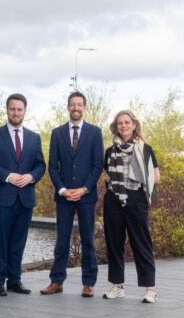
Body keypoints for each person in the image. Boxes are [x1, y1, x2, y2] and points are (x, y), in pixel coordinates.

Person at [41, 91, 104, 297]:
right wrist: (62, 190)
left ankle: (88, 283)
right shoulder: (57, 133)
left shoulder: (95, 133)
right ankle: (56, 281)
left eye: (79, 104)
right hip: (64, 196)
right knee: (62, 240)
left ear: (84, 107)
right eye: (72, 105)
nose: (76, 108)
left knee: (88, 240)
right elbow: (52, 166)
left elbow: (97, 166)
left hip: (86, 196)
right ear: (68, 107)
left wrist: (84, 189)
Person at [0, 93, 46, 296]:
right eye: (12, 109)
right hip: (1, 197)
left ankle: (14, 280)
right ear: (7, 110)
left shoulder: (34, 138)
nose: (16, 112)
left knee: (19, 240)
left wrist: (31, 177)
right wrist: (8, 176)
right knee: (0, 240)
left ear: (25, 111)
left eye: (19, 109)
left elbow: (40, 165)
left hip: (25, 197)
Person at [102, 110, 160, 303]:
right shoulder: (110, 151)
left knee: (141, 243)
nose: (124, 126)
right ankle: (117, 285)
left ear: (134, 125)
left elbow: (156, 177)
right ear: (116, 127)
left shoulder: (145, 149)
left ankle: (150, 288)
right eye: (120, 123)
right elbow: (107, 175)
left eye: (127, 122)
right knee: (114, 244)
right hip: (113, 200)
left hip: (136, 199)